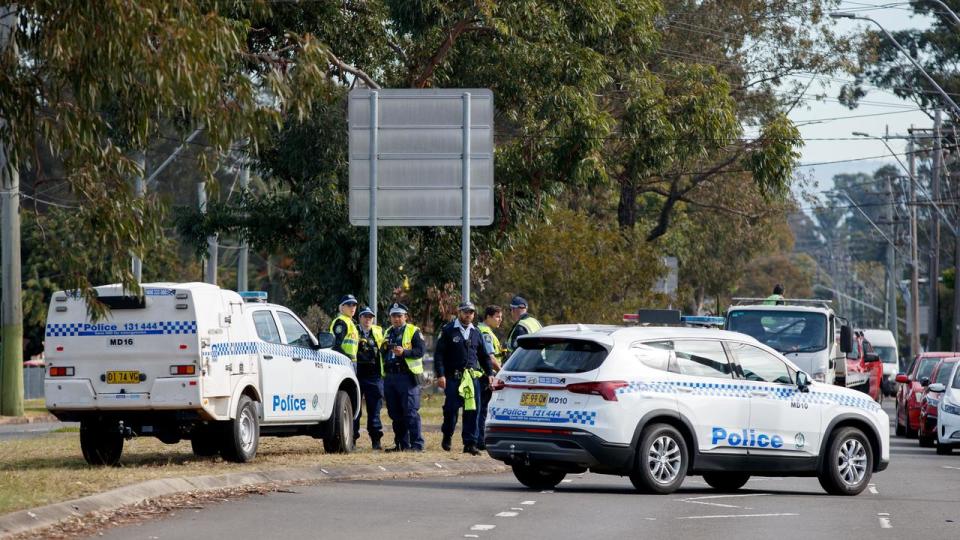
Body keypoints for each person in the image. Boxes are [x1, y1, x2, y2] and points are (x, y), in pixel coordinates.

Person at [434, 301, 493, 455]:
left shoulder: (476, 332)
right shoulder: (448, 330)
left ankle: (470, 444)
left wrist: (490, 373)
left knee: (472, 410)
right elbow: (439, 355)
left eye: (471, 312)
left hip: (472, 378)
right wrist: (440, 374)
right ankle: (447, 434)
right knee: (451, 410)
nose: (468, 315)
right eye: (465, 312)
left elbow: (484, 356)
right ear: (459, 313)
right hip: (453, 377)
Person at [380, 303, 426, 452]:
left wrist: (404, 352)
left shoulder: (413, 331)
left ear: (405, 316)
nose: (396, 319)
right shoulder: (388, 332)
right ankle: (401, 444)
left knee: (410, 412)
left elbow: (420, 351)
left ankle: (417, 445)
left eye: (399, 316)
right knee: (395, 413)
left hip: (407, 377)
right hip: (391, 377)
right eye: (394, 316)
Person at [354, 306, 385, 450]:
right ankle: (351, 440)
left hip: (374, 376)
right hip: (356, 375)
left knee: (374, 411)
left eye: (370, 317)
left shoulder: (378, 332)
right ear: (360, 318)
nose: (368, 319)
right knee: (355, 410)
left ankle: (376, 442)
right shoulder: (353, 331)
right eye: (365, 316)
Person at [476, 305, 504, 450]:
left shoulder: (483, 330)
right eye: (497, 317)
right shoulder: (485, 332)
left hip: (481, 375)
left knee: (480, 409)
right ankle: (480, 440)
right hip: (484, 376)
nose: (500, 320)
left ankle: (478, 439)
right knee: (482, 410)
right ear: (488, 317)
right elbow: (490, 358)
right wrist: (502, 372)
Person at [330, 294, 359, 364]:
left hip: (350, 361)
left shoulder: (351, 323)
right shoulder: (341, 322)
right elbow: (336, 345)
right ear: (342, 307)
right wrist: (347, 358)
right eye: (349, 305)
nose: (352, 307)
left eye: (354, 305)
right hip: (342, 361)